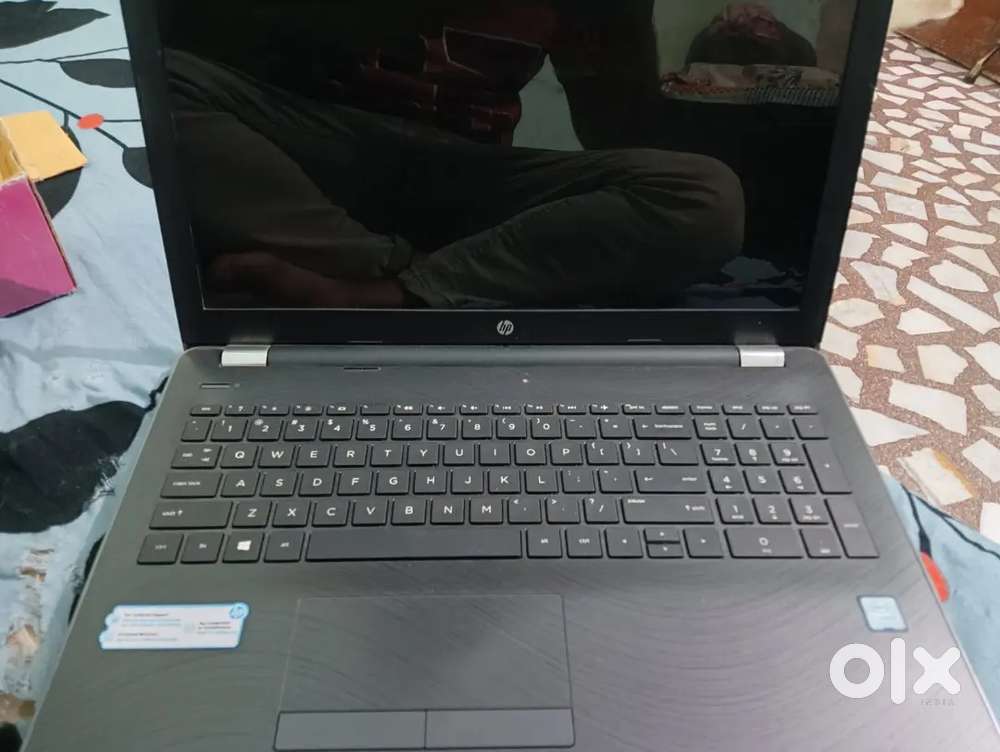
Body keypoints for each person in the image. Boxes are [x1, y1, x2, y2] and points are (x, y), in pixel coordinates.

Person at [165, 0, 745, 308]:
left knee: (701, 196)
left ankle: (391, 290)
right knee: (155, 83)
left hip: (470, 179)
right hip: (309, 154)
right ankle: (391, 271)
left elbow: (620, 130)